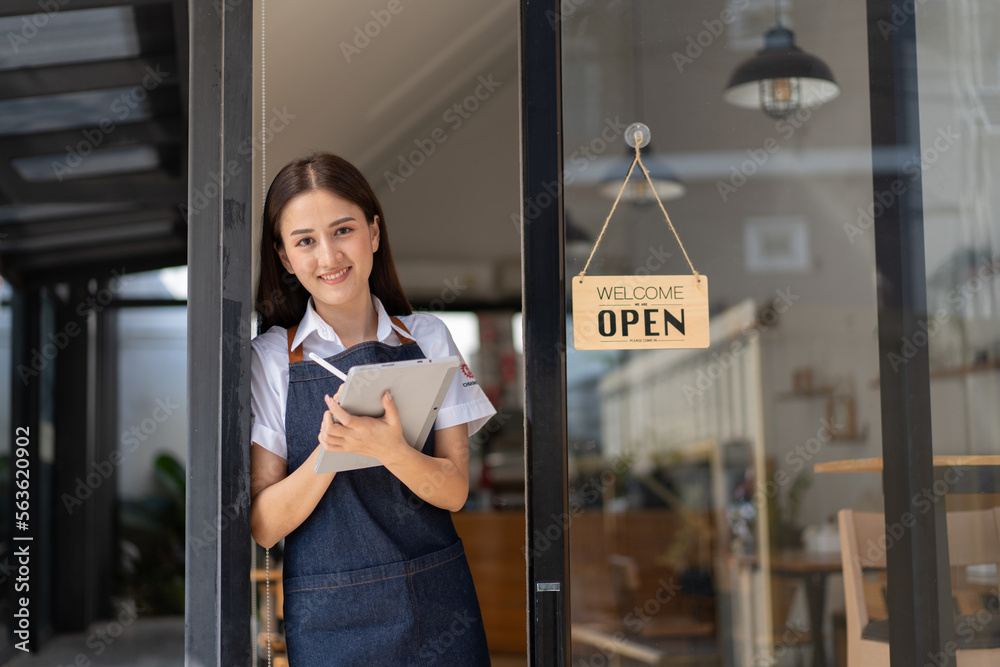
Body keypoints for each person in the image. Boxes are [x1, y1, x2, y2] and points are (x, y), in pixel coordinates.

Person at [249, 152, 495, 665]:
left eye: (343, 230)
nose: (328, 256)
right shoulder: (271, 358)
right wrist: (330, 452)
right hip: (330, 619)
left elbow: (453, 491)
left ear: (374, 233)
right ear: (285, 257)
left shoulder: (428, 336)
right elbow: (265, 524)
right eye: (305, 241)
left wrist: (389, 449)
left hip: (438, 603)